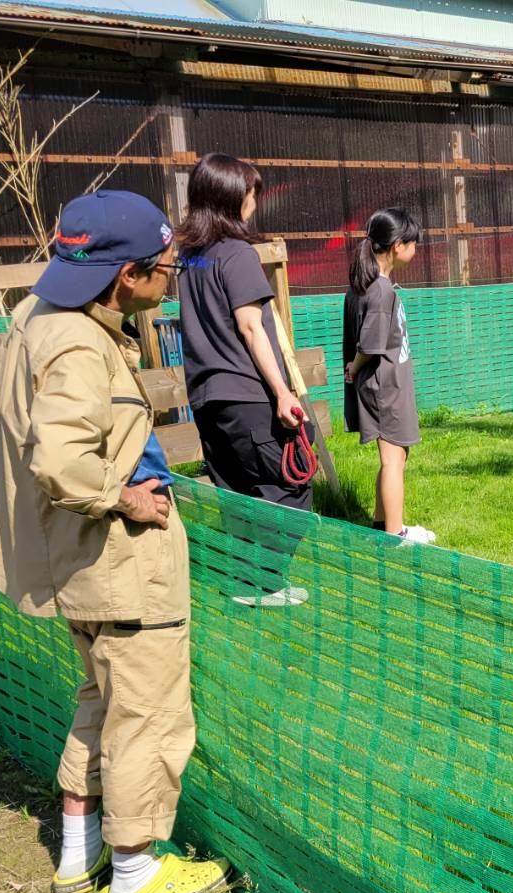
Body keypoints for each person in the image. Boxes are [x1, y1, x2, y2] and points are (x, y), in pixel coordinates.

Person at [0, 190, 229, 893]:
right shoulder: (83, 345)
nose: (169, 280)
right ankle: (139, 867)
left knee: (101, 701)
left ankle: (79, 857)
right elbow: (60, 459)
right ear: (127, 278)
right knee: (149, 712)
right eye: (166, 270)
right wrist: (124, 496)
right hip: (120, 565)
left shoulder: (33, 317)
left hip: (74, 564)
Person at [174, 153, 314, 606]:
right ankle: (264, 583)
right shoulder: (237, 254)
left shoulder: (189, 259)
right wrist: (281, 392)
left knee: (237, 492)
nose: (256, 199)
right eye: (253, 190)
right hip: (247, 393)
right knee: (290, 487)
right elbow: (252, 328)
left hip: (206, 398)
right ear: (233, 197)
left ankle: (242, 583)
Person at [343, 208, 435, 544]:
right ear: (397, 246)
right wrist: (355, 365)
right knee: (394, 458)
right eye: (413, 244)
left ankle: (381, 527)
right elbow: (370, 343)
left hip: (387, 384)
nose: (416, 250)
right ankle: (395, 535)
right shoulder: (380, 291)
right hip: (385, 386)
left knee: (393, 457)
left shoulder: (365, 286)